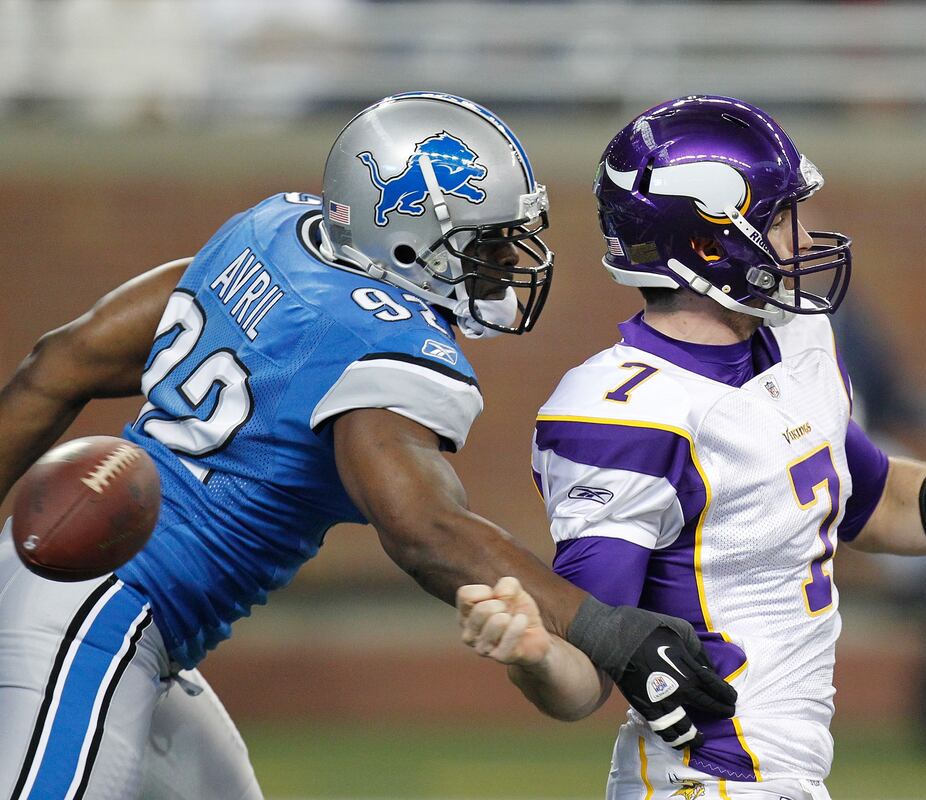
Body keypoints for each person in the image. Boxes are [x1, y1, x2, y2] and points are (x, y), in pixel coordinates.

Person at [0, 92, 735, 800]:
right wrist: (611, 631)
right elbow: (423, 531)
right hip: (104, 608)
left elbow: (58, 362)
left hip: (88, 592)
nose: (507, 261)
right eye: (486, 242)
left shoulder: (273, 232)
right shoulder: (383, 341)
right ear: (408, 235)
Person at [456, 95, 926, 800]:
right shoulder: (627, 411)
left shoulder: (796, 343)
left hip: (786, 777)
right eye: (781, 216)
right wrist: (533, 654)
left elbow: (874, 503)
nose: (802, 234)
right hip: (704, 782)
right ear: (706, 242)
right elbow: (586, 671)